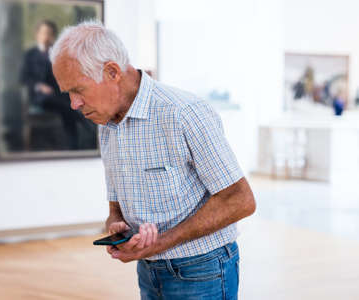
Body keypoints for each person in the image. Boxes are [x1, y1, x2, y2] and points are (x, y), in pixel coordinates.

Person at [50, 21, 256, 299]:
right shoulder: (106, 123)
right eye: (68, 94)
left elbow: (240, 201)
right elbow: (116, 205)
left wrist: (159, 244)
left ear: (112, 72)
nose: (74, 104)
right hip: (149, 271)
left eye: (78, 90)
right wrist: (117, 224)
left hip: (202, 271)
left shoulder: (184, 112)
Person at [20, 20, 81, 149]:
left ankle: (72, 146)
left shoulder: (58, 54)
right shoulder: (30, 55)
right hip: (40, 97)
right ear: (37, 34)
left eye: (49, 33)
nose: (46, 36)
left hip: (58, 94)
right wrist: (39, 86)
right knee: (69, 109)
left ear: (53, 36)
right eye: (43, 33)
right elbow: (24, 78)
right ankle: (77, 130)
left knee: (68, 106)